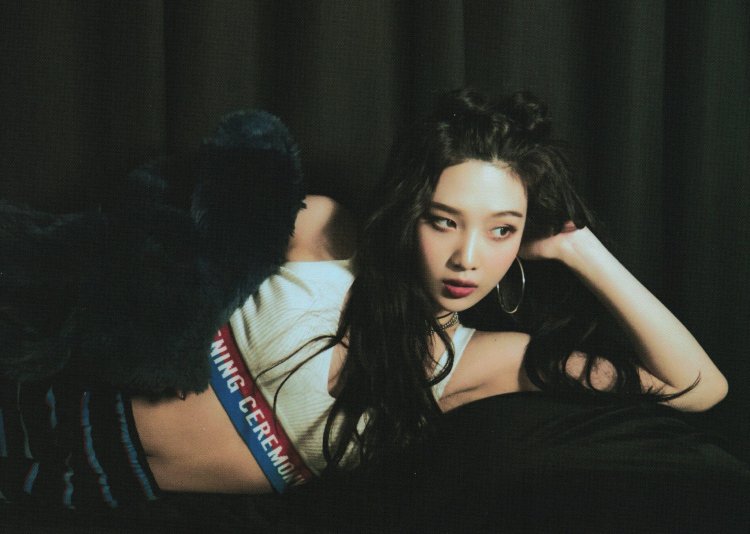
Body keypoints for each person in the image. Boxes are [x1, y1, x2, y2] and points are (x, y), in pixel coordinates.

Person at [2, 89, 747, 532]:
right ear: (408, 209)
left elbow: (696, 387)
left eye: (502, 231)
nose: (467, 259)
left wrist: (582, 251)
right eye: (444, 221)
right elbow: (135, 254)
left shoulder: (476, 365)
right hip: (50, 392)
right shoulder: (323, 237)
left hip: (94, 493)